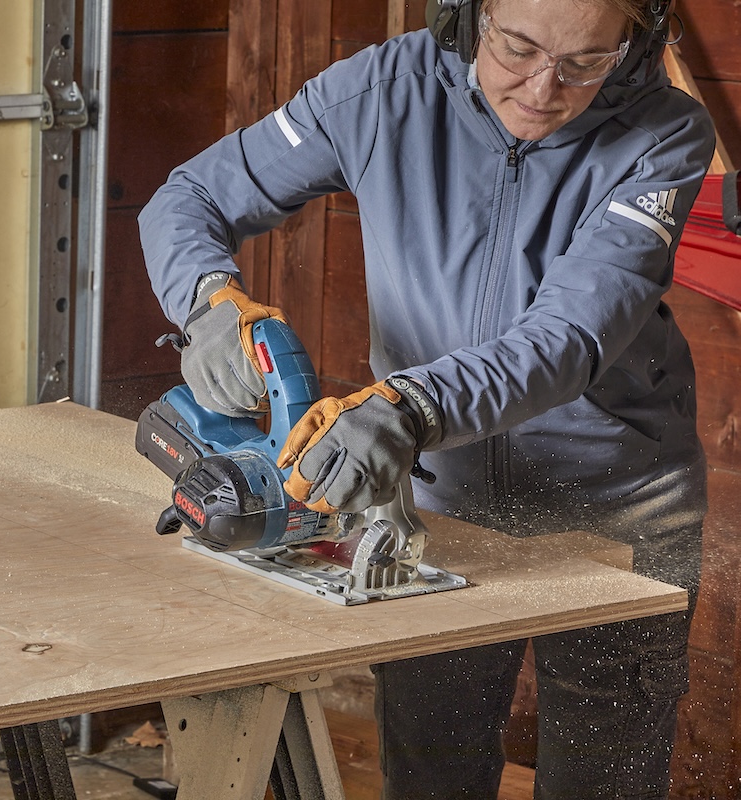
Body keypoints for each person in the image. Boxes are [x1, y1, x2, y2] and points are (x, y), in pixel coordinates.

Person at [138, 0, 715, 797]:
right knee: (431, 764)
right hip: (432, 506)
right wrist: (208, 302)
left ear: (633, 43)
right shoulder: (383, 89)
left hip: (618, 502)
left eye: (586, 62)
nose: (544, 87)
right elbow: (188, 197)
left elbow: (573, 335)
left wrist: (410, 407)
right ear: (468, 14)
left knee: (606, 775)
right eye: (517, 46)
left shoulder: (665, 133)